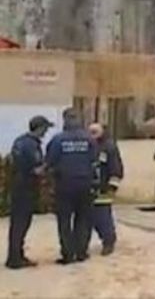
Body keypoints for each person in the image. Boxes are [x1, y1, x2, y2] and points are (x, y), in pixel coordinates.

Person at [45, 108, 98, 265]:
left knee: (64, 220)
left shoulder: (58, 140)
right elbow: (94, 161)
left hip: (64, 184)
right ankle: (81, 252)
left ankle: (68, 254)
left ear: (65, 120)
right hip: (85, 183)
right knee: (83, 219)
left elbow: (50, 161)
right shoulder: (89, 139)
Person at [5, 116, 53, 269]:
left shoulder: (19, 141)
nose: (46, 132)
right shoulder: (32, 145)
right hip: (26, 188)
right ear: (39, 128)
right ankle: (15, 259)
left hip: (16, 186)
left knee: (16, 224)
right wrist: (49, 166)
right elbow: (36, 170)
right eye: (45, 128)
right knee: (22, 224)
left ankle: (14, 255)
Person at [88, 123, 123, 256]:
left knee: (103, 217)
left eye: (95, 132)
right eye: (90, 131)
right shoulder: (88, 145)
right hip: (89, 188)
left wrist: (112, 187)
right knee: (89, 217)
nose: (92, 134)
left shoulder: (109, 147)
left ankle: (108, 242)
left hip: (104, 188)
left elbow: (116, 168)